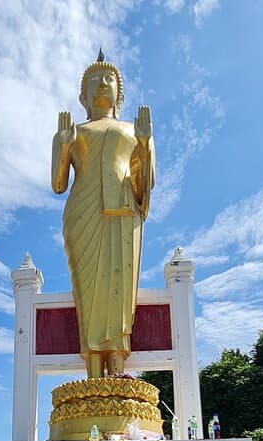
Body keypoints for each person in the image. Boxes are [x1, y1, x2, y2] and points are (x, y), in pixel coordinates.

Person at [52, 51, 156, 379]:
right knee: (88, 289)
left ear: (119, 94)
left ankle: (117, 366)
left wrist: (145, 144)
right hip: (83, 212)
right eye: (94, 80)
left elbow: (145, 182)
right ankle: (93, 370)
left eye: (109, 79)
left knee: (118, 288)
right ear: (83, 95)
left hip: (124, 211)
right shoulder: (77, 130)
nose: (102, 84)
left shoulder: (132, 129)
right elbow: (58, 184)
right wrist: (63, 145)